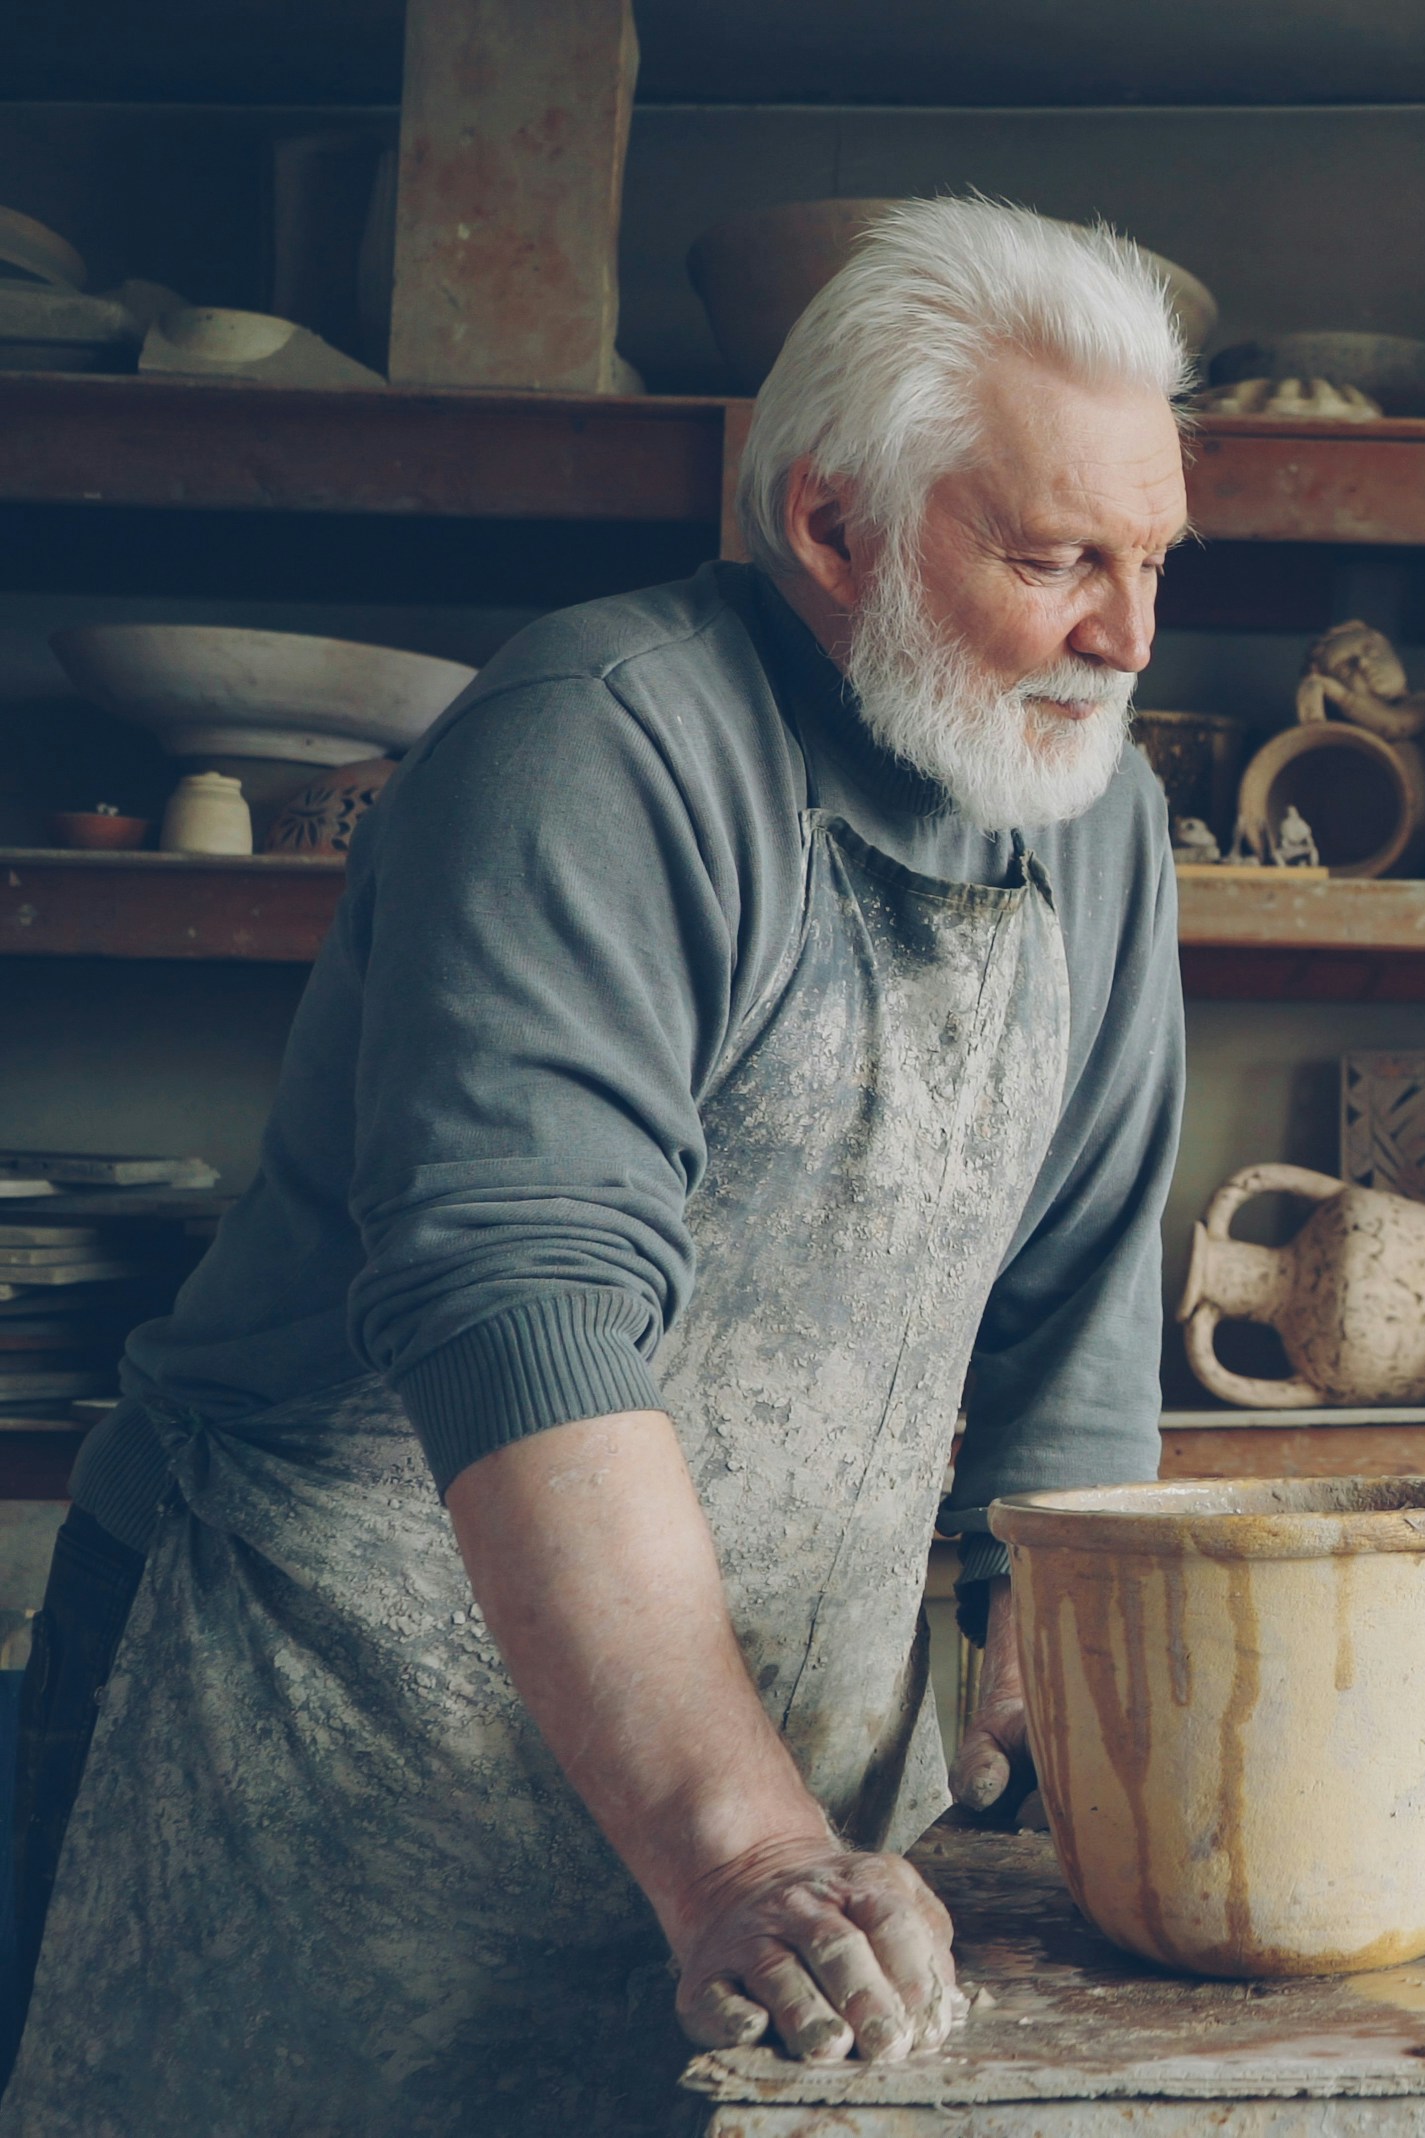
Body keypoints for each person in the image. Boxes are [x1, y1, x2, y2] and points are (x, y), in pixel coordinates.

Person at [2, 197, 1192, 2132]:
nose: (1125, 637)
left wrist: (1054, 1674)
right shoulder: (603, 738)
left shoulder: (1099, 813)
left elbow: (1083, 1294)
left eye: (1153, 562)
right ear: (827, 523)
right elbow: (519, 1294)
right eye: (1058, 557)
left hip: (782, 1761)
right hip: (328, 1740)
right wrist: (731, 1849)